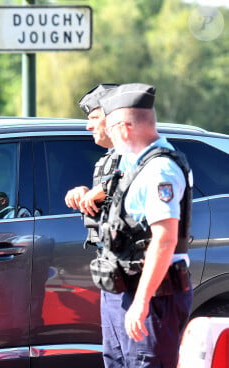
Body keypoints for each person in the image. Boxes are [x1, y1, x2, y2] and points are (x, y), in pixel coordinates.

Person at [94, 83, 193, 367]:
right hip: (123, 286)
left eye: (111, 129)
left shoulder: (159, 170)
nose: (109, 137)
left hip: (153, 295)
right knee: (117, 360)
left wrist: (141, 301)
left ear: (124, 127)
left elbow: (164, 240)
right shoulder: (135, 163)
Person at [64, 83, 120, 247]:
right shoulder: (109, 157)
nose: (88, 126)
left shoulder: (141, 155)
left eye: (95, 118)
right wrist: (86, 193)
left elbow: (137, 179)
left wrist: (102, 189)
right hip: (112, 254)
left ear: (114, 119)